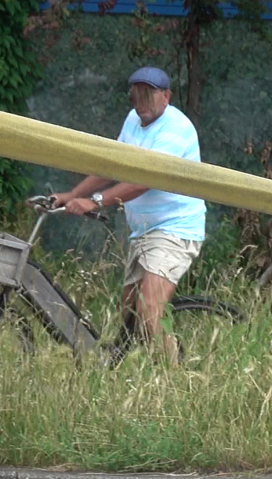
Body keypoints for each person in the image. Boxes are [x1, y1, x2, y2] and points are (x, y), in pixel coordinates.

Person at [53, 67, 208, 363]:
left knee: (149, 312)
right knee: (129, 317)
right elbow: (114, 166)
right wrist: (71, 196)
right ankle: (116, 371)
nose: (141, 102)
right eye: (136, 95)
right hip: (144, 231)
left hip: (175, 229)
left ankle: (173, 382)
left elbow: (144, 179)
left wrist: (95, 202)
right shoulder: (133, 121)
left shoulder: (176, 128)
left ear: (166, 96)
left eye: (148, 94)